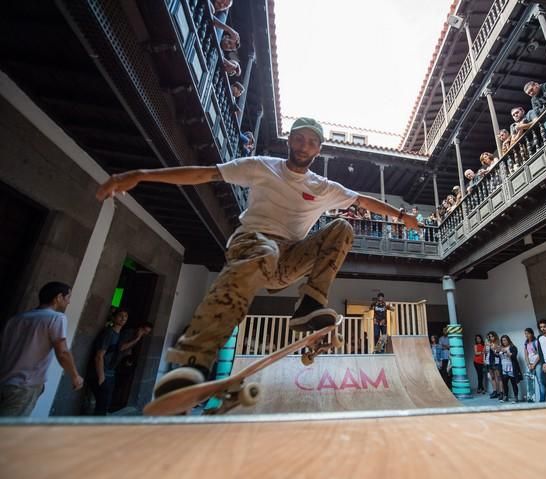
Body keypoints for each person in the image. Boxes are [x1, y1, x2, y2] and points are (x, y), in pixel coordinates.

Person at [96, 117, 419, 397]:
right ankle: (191, 361)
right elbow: (204, 174)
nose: (304, 146)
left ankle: (309, 304)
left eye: (311, 142)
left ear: (318, 149)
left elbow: (364, 201)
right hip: (251, 244)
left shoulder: (324, 187)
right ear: (290, 140)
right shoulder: (261, 166)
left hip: (289, 260)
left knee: (341, 227)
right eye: (299, 139)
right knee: (264, 250)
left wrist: (401, 216)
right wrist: (142, 174)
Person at [0, 282, 84, 416]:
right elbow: (62, 352)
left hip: (4, 380)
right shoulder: (57, 318)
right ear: (58, 297)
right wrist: (75, 376)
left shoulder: (16, 319)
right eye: (68, 297)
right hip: (24, 386)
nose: (69, 302)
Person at [498, 335, 522, 403]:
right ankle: (506, 396)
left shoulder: (513, 347)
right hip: (503, 368)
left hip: (511, 368)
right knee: (505, 383)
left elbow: (514, 356)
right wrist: (496, 350)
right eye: (502, 340)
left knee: (513, 383)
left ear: (508, 340)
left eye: (505, 340)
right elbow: (497, 355)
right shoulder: (501, 348)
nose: (504, 341)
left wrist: (506, 351)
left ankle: (516, 397)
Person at [524, 327, 545, 402]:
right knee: (530, 382)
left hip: (537, 364)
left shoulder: (536, 342)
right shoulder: (526, 343)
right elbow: (526, 355)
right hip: (530, 364)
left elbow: (540, 355)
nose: (527, 335)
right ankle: (531, 399)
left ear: (532, 334)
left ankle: (542, 400)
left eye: (528, 333)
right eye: (525, 334)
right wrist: (528, 364)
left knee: (540, 381)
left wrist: (534, 365)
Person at [486, 331, 503, 399]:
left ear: (495, 336)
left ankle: (501, 392)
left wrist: (493, 348)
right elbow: (485, 352)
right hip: (490, 362)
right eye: (489, 336)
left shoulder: (498, 343)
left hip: (496, 362)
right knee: (492, 377)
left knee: (498, 378)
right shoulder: (489, 343)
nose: (491, 338)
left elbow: (498, 354)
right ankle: (495, 391)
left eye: (492, 336)